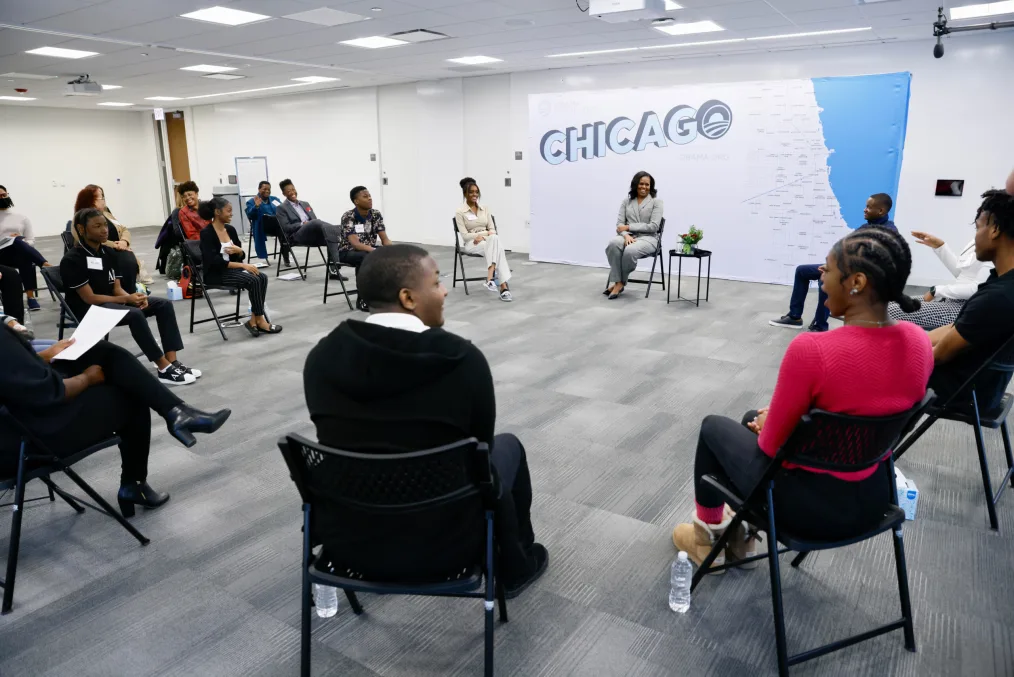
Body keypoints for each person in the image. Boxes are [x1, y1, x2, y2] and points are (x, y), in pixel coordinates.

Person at [673, 226, 932, 570]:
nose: (821, 277)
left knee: (712, 428)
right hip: (872, 498)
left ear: (856, 282)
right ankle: (739, 533)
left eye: (828, 269)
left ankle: (707, 539)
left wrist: (768, 424)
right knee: (752, 413)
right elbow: (862, 407)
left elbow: (769, 446)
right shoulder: (918, 342)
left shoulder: (812, 349)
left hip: (805, 510)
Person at [303, 244, 548, 596]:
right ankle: (515, 565)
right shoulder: (462, 360)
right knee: (507, 449)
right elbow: (482, 449)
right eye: (436, 283)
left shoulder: (322, 356)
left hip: (351, 537)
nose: (444, 290)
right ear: (408, 297)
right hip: (449, 543)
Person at [0, 325, 230, 516]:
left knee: (99, 351)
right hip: (22, 443)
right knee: (130, 395)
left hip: (14, 424)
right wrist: (86, 378)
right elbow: (50, 393)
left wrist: (44, 356)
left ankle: (177, 412)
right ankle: (134, 483)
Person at [61, 208, 201, 386]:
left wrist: (134, 297)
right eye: (97, 226)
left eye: (105, 225)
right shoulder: (73, 259)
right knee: (134, 314)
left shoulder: (108, 253)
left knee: (163, 305)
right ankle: (163, 368)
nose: (104, 230)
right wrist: (127, 300)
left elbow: (117, 288)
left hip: (112, 304)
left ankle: (172, 361)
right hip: (89, 310)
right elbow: (89, 298)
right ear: (81, 230)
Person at [927, 189, 1014, 410]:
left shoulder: (997, 298)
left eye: (978, 228)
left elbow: (938, 356)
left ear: (994, 229)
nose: (975, 237)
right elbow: (956, 328)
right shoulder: (1001, 284)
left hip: (963, 392)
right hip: (987, 388)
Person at [770, 193, 898, 332]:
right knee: (802, 271)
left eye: (869, 207)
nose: (865, 209)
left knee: (826, 280)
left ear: (881, 211)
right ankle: (795, 317)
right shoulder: (865, 227)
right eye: (865, 206)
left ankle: (820, 326)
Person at [199, 197, 281, 337]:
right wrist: (244, 265)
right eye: (228, 211)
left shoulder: (230, 230)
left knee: (262, 277)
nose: (231, 214)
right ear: (217, 212)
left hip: (232, 270)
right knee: (253, 280)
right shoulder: (207, 233)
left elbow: (240, 255)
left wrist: (240, 252)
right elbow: (214, 262)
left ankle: (254, 320)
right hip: (216, 274)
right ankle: (259, 320)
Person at [888, 231, 991, 329]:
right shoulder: (978, 239)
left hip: (966, 309)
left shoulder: (995, 246)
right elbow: (962, 275)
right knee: (886, 305)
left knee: (891, 311)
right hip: (952, 299)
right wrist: (940, 247)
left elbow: (978, 288)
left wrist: (937, 290)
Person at [604, 171, 663, 299]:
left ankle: (620, 283)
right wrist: (626, 234)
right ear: (636, 185)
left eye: (647, 184)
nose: (644, 187)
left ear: (651, 186)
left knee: (630, 250)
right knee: (613, 244)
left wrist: (630, 226)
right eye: (641, 184)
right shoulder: (626, 202)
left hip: (649, 238)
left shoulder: (656, 202)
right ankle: (618, 282)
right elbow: (620, 225)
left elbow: (654, 226)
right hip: (628, 236)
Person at [73, 185, 141, 294]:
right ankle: (128, 293)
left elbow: (123, 228)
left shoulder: (106, 213)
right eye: (102, 198)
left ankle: (129, 292)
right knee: (127, 259)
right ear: (92, 200)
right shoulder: (80, 217)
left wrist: (124, 241)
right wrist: (116, 245)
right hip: (101, 252)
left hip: (119, 249)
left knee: (128, 258)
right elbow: (87, 239)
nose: (104, 201)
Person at [455, 177, 512, 302]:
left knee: (494, 239)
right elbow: (464, 236)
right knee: (497, 247)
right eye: (471, 192)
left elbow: (493, 229)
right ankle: (503, 287)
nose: (475, 194)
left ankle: (490, 279)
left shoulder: (485, 209)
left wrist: (483, 235)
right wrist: (480, 235)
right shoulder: (460, 212)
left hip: (488, 241)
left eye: (476, 191)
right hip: (472, 244)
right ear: (465, 194)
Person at [338, 185, 393, 312]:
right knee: (366, 257)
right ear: (356, 201)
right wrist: (375, 251)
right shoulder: (348, 216)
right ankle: (363, 299)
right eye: (365, 196)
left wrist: (391, 249)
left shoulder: (375, 214)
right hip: (348, 252)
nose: (369, 198)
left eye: (369, 196)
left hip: (369, 250)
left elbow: (384, 238)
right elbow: (356, 245)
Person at [274, 179, 345, 273]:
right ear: (284, 194)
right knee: (316, 223)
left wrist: (311, 224)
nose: (292, 192)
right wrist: (303, 224)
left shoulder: (305, 204)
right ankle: (340, 229)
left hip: (312, 234)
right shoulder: (281, 208)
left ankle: (334, 271)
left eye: (293, 189)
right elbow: (286, 228)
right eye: (288, 191)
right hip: (296, 236)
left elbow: (315, 221)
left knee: (331, 238)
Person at [0, 184, 52, 312]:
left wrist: (21, 242)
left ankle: (30, 297)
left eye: (4, 195)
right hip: (1, 255)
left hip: (18, 254)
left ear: (8, 195)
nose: (2, 198)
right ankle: (43, 263)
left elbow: (31, 239)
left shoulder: (21, 218)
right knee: (17, 241)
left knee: (23, 252)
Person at [244, 180, 280, 268]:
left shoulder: (274, 199)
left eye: (269, 189)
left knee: (284, 230)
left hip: (277, 226)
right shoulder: (251, 201)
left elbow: (282, 210)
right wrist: (256, 206)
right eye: (264, 189)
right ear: (259, 189)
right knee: (265, 219)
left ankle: (286, 254)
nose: (267, 191)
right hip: (262, 227)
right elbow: (250, 215)